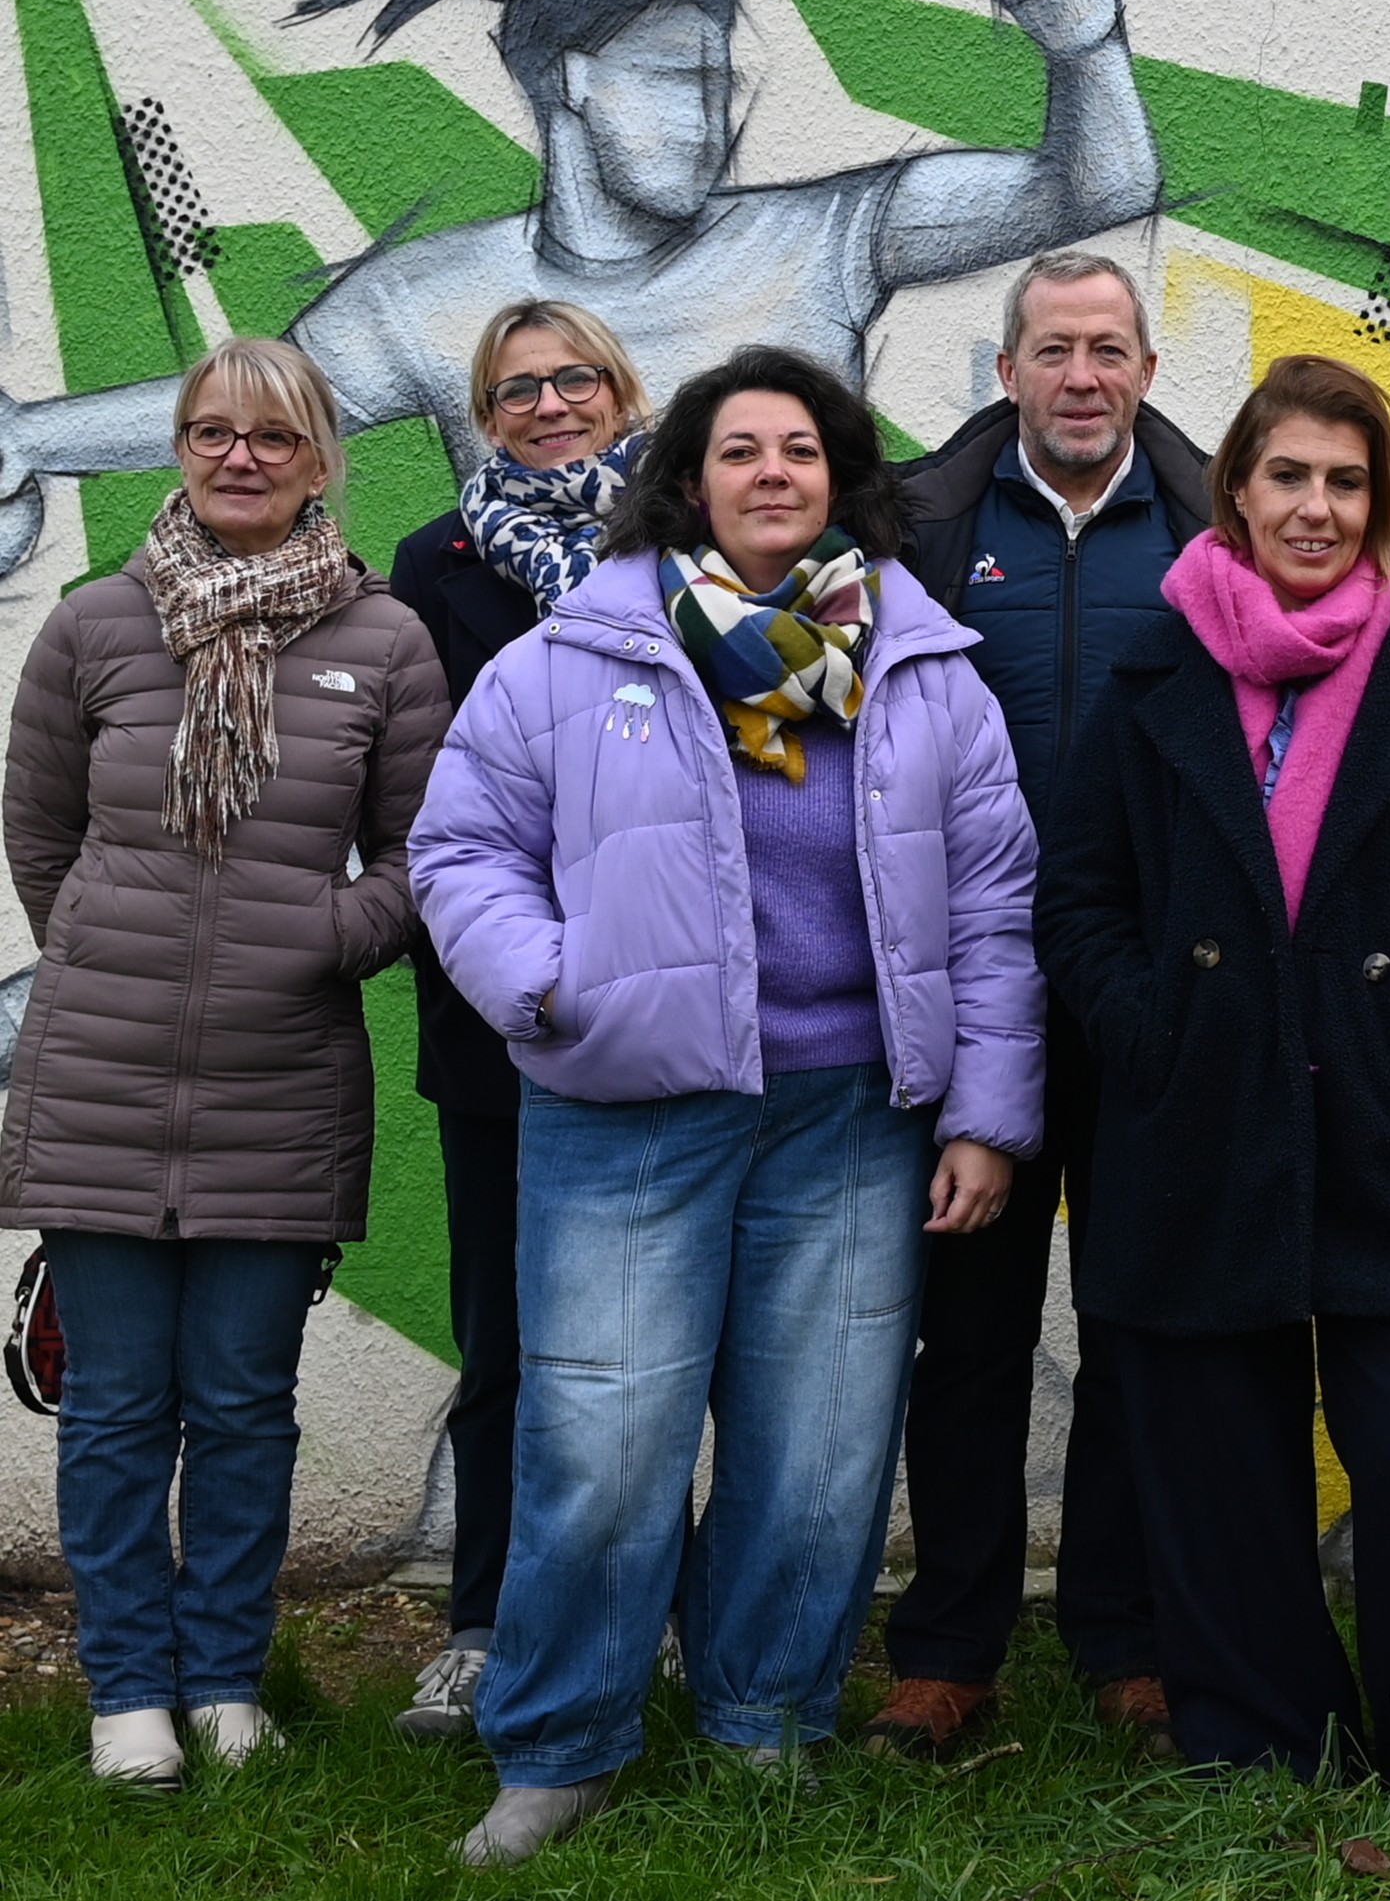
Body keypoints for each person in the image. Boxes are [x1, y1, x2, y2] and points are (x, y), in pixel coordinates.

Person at [411, 345, 1042, 1866]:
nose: (773, 471)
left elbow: (994, 903)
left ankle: (765, 1716)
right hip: (628, 1104)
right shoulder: (580, 651)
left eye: (801, 450)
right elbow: (460, 847)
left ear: (841, 479)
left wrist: (985, 1111)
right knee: (604, 1439)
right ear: (688, 480)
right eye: (741, 449)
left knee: (819, 1445)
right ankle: (560, 1744)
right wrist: (548, 983)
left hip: (851, 1112)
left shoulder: (921, 666)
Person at [1034, 354, 1390, 1788]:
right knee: (1215, 1455)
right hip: (1198, 1119)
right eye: (1288, 476)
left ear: (1381, 501)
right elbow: (1077, 895)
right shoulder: (1154, 670)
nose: (1316, 507)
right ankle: (1268, 1733)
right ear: (1239, 491)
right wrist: (1153, 1027)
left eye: (1345, 480)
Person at [0, 0, 1156, 498]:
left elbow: (1093, 187)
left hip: (805, 741)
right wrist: (29, 440)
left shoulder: (825, 235)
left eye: (719, 85)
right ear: (568, 80)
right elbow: (245, 415)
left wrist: (1087, 43)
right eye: (672, 80)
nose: (709, 119)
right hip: (572, 779)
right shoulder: (431, 299)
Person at [2, 338, 450, 1788]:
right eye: (211, 432)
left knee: (246, 1405)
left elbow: (425, 853)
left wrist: (330, 933)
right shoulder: (95, 623)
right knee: (116, 1407)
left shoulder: (385, 641)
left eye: (272, 436)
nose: (239, 457)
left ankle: (226, 1677)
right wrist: (100, 946)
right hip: (102, 1078)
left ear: (320, 461)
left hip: (284, 1082)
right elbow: (40, 834)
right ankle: (129, 1689)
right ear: (181, 449)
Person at [865, 251, 1209, 1760]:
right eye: (1054, 349)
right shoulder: (917, 528)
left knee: (1138, 1323)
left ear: (1146, 370)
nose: (1082, 375)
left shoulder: (1208, 525)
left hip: (1148, 992)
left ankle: (1128, 1636)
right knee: (969, 1336)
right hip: (967, 995)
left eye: (1109, 349)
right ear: (1004, 370)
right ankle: (949, 1647)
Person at [382, 300, 648, 1746]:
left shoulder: (691, 545)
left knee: (661, 1341)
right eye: (516, 390)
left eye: (574, 379)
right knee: (510, 1339)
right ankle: (481, 1624)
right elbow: (423, 805)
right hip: (502, 1014)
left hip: (675, 1006)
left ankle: (655, 1617)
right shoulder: (437, 563)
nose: (549, 406)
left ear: (622, 391)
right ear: (484, 416)